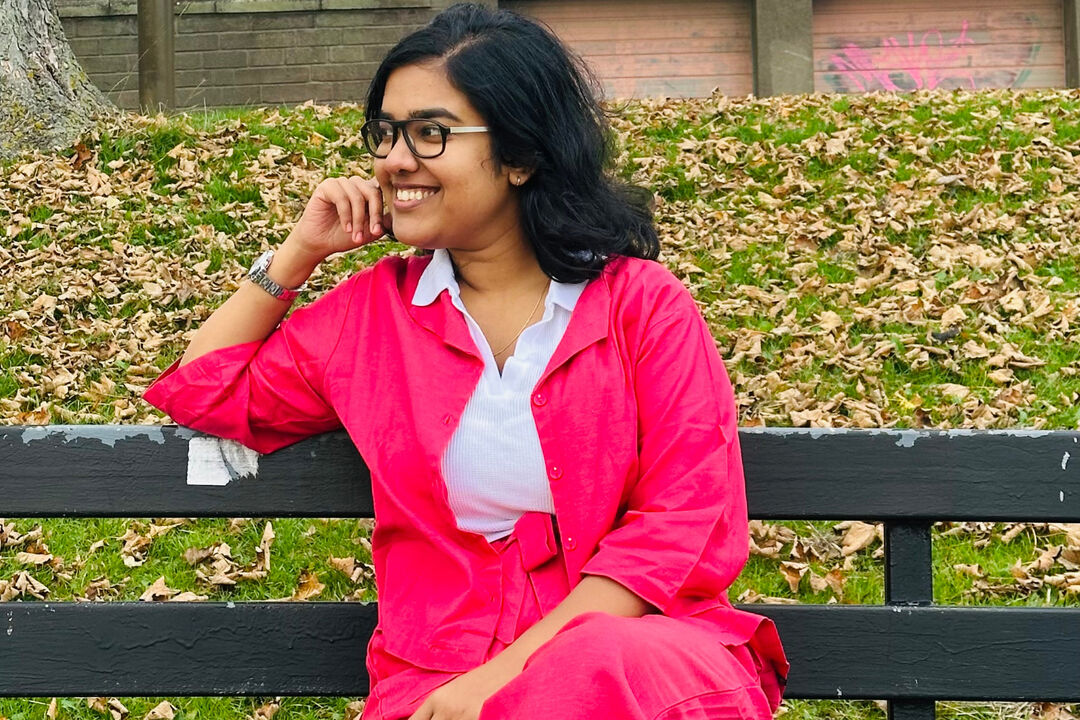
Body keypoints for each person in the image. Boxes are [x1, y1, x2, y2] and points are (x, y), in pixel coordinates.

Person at [143, 4, 789, 719]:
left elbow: (677, 523)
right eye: (384, 134)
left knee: (594, 665)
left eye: (429, 134)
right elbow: (203, 391)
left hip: (638, 662)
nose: (393, 160)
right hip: (439, 671)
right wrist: (298, 254)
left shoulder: (642, 308)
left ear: (521, 155)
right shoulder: (372, 317)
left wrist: (500, 684)